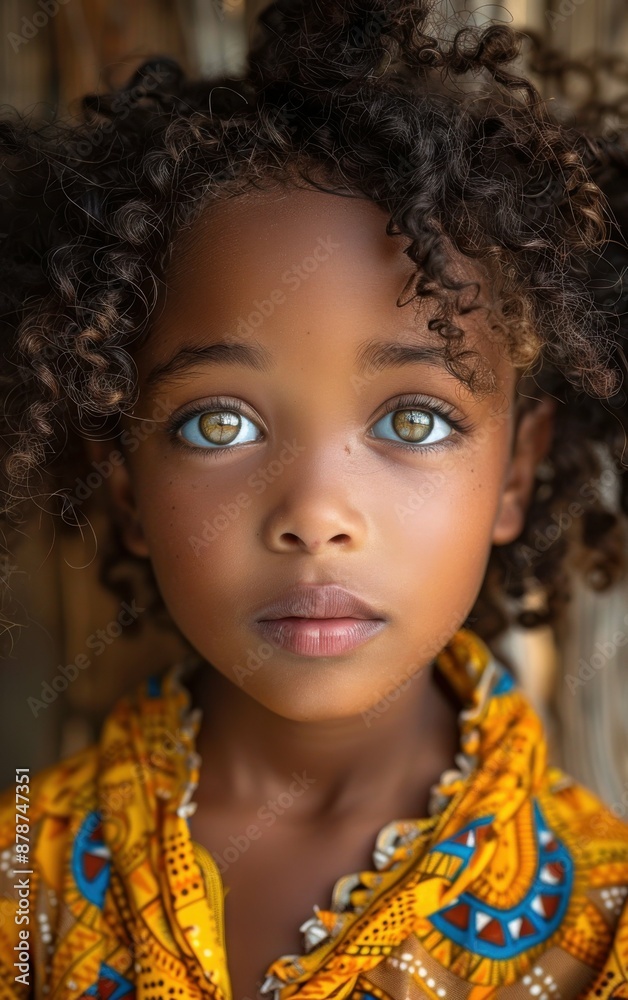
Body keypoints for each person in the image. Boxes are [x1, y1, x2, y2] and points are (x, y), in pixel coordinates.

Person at [0, 1, 627, 997]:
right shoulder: (22, 881)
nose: (316, 512)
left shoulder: (603, 930)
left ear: (515, 472)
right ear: (124, 482)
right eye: (218, 424)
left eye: (413, 420)